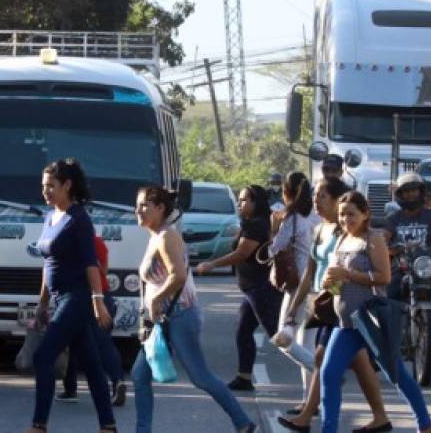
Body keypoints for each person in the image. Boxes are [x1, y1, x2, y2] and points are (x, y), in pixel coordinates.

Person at [133, 186, 257, 433]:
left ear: (160, 208)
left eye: (145, 205)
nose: (139, 210)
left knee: (201, 377)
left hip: (179, 316)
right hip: (161, 320)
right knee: (139, 375)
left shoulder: (167, 236)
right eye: (137, 205)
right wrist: (147, 314)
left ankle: (243, 423)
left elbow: (177, 276)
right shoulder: (155, 235)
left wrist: (156, 300)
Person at [278, 177, 391, 433]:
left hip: (343, 302)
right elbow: (309, 273)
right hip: (323, 302)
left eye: (322, 196)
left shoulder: (348, 229)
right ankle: (380, 416)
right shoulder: (319, 230)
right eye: (315, 195)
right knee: (357, 363)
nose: (316, 201)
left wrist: (338, 293)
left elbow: (355, 270)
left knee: (323, 359)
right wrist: (295, 309)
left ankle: (309, 416)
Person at [319, 191, 431, 433]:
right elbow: (338, 283)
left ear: (365, 214)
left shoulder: (373, 239)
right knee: (328, 375)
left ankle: (425, 424)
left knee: (397, 375)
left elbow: (384, 278)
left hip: (371, 321)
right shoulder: (341, 240)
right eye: (342, 215)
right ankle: (327, 429)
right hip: (346, 324)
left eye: (351, 214)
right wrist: (329, 283)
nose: (346, 219)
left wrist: (348, 275)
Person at [26, 159, 116, 433]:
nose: (46, 192)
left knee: (44, 357)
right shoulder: (50, 216)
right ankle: (109, 426)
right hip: (59, 297)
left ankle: (39, 425)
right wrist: (42, 303)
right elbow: (47, 262)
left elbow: (91, 263)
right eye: (43, 187)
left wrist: (97, 302)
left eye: (51, 186)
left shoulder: (79, 219)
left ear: (67, 185)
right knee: (90, 363)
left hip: (77, 298)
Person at [195, 185, 281, 391]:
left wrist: (212, 264)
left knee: (279, 335)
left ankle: (317, 369)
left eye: (244, 200)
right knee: (243, 330)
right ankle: (244, 377)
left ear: (255, 203)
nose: (240, 204)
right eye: (239, 199)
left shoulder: (257, 225)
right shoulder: (253, 223)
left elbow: (241, 254)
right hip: (251, 289)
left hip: (261, 288)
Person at [58, 232, 127, 406]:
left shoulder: (65, 241)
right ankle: (118, 380)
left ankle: (70, 389)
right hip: (104, 298)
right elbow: (104, 271)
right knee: (104, 342)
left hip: (79, 298)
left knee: (72, 340)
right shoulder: (97, 241)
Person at [268, 172, 318, 396]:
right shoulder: (318, 216)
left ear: (285, 192)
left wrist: (274, 227)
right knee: (306, 344)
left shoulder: (292, 217)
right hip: (319, 285)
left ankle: (322, 375)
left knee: (283, 338)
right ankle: (310, 399)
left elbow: (275, 249)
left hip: (298, 285)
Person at [384, 172, 431, 303]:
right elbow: (383, 241)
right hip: (402, 269)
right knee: (391, 295)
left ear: (421, 192)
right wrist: (388, 249)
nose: (410, 194)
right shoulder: (393, 219)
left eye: (413, 190)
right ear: (399, 195)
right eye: (406, 191)